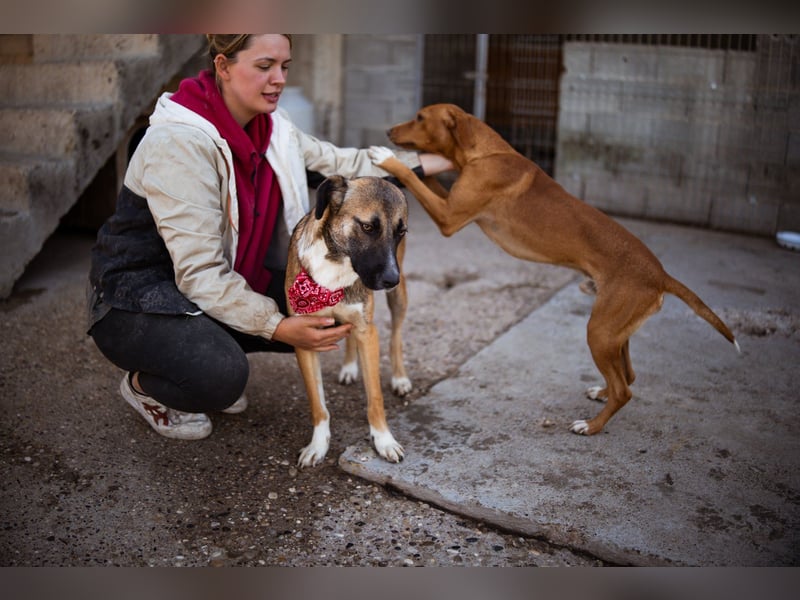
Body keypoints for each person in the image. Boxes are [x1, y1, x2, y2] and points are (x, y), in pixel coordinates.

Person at [87, 34, 452, 440]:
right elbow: (201, 275)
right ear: (223, 67)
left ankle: (205, 347)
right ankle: (145, 388)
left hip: (219, 283)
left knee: (324, 304)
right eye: (264, 66)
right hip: (136, 296)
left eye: (285, 67)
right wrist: (277, 326)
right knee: (221, 376)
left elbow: (346, 164)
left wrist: (437, 162)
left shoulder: (275, 129)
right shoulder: (179, 144)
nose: (278, 79)